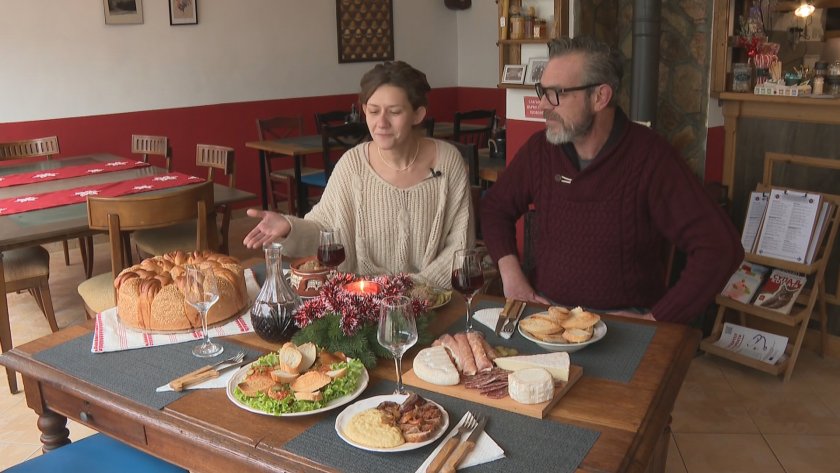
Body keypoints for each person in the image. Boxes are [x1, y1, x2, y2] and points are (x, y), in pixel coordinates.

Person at [480, 36, 743, 324]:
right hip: (549, 318)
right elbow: (495, 207)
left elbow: (720, 247)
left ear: (600, 97)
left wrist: (657, 319)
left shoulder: (650, 157)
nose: (543, 104)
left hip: (624, 325)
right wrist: (511, 275)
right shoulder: (540, 150)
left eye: (558, 93)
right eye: (542, 90)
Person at [243, 61, 474, 289]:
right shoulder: (352, 165)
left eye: (394, 112)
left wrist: (411, 289)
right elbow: (324, 230)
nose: (381, 122)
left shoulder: (448, 161)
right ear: (364, 111)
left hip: (432, 302)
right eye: (373, 111)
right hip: (361, 303)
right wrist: (289, 227)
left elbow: (460, 245)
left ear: (418, 114)